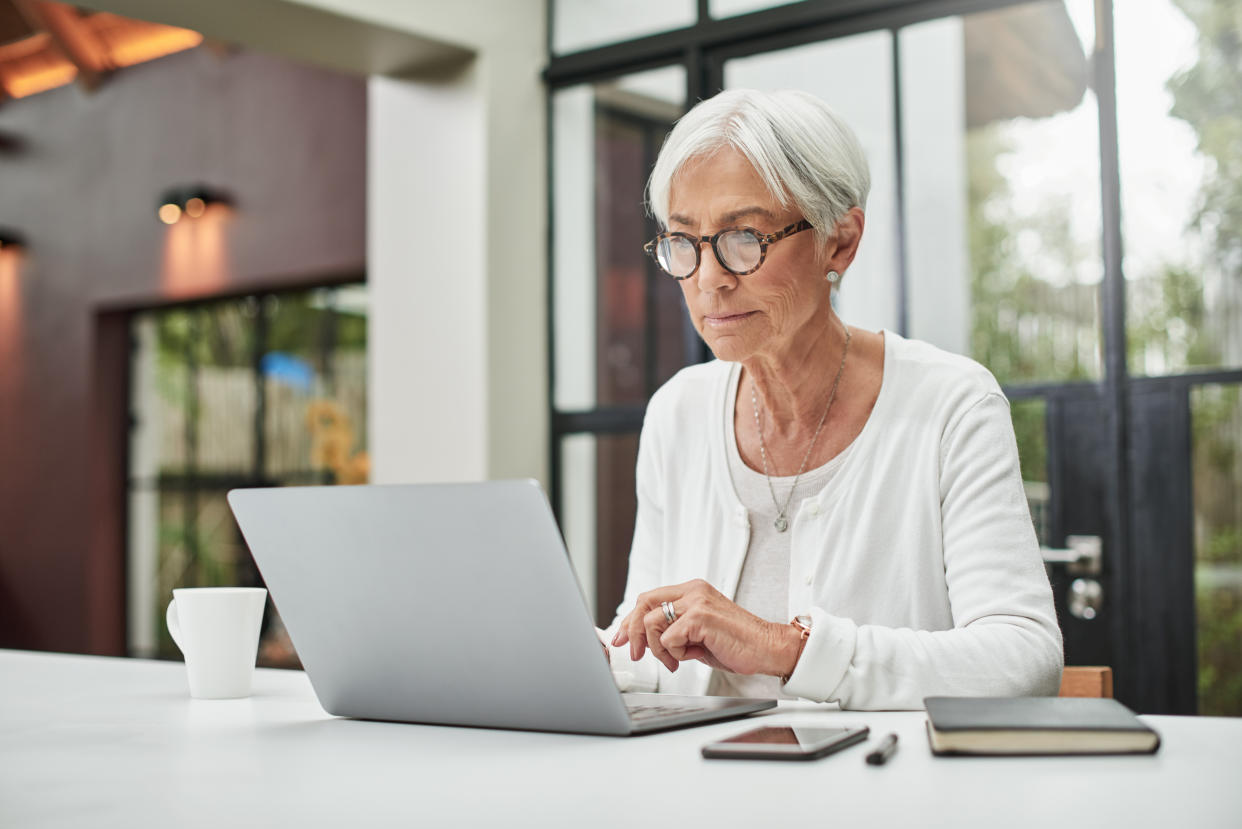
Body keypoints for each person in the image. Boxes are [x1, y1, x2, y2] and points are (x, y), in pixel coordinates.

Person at [599, 88, 1063, 710]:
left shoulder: (952, 406)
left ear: (839, 242)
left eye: (744, 237)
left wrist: (785, 648)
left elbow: (1024, 658)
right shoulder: (677, 412)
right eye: (684, 242)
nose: (709, 278)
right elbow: (647, 653)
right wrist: (582, 660)